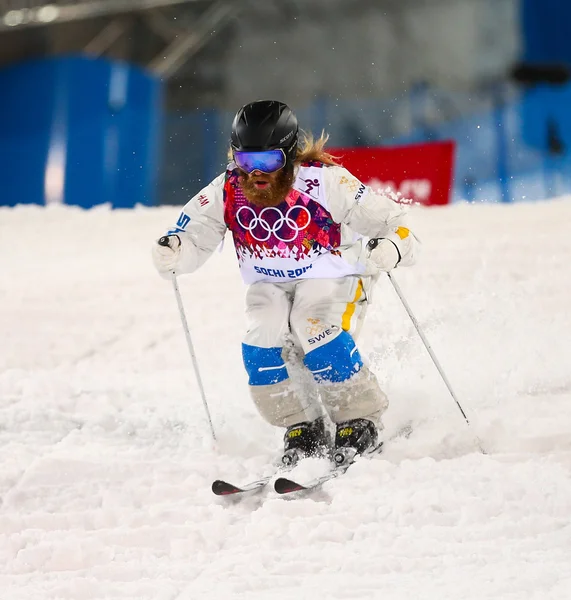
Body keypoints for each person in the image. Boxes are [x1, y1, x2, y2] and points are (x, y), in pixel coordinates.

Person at [152, 100, 418, 467]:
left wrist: (392, 246)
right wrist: (175, 251)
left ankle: (359, 418)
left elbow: (395, 222)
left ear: (290, 156)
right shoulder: (228, 189)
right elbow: (195, 236)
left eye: (269, 162)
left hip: (333, 272)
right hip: (270, 283)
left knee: (314, 327)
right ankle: (302, 425)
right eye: (247, 162)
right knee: (261, 343)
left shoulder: (326, 182)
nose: (257, 174)